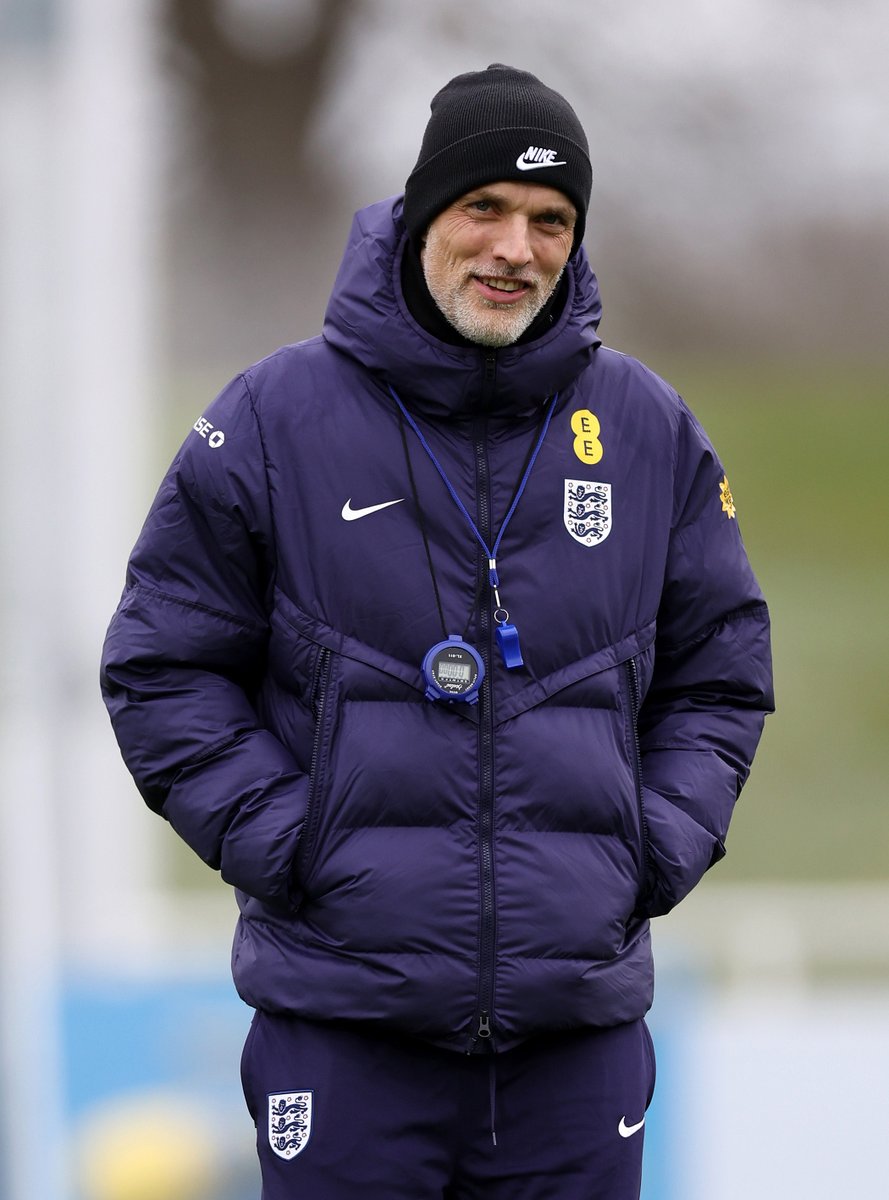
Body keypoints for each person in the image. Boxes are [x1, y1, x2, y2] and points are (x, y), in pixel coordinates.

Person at [101, 63, 773, 1199]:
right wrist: (292, 842)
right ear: (423, 214)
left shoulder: (648, 428)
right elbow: (164, 667)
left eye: (550, 220)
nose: (516, 246)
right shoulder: (270, 419)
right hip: (344, 1025)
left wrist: (644, 851)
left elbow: (720, 675)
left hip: (577, 1037)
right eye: (485, 209)